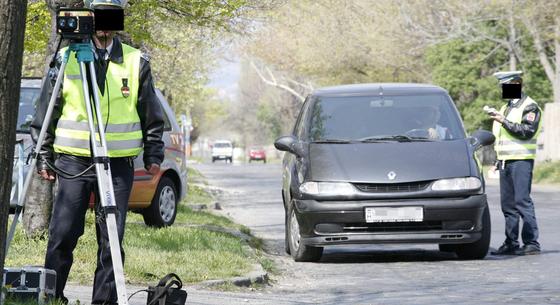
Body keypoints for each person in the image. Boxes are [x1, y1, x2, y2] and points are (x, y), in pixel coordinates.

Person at [30, 0, 164, 303]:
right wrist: (43, 153)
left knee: (112, 240)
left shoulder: (135, 61)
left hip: (117, 166)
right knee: (63, 234)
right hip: (73, 162)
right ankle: (52, 297)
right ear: (89, 18)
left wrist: (154, 155)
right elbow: (46, 111)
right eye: (98, 16)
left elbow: (151, 112)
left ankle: (103, 301)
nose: (103, 24)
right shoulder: (66, 58)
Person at [488, 71, 542, 256]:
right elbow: (501, 138)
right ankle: (511, 242)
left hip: (521, 160)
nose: (503, 89)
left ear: (517, 84)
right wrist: (497, 159)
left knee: (522, 201)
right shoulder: (506, 108)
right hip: (505, 161)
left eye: (507, 86)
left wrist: (503, 121)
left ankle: (532, 243)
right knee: (508, 205)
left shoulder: (530, 107)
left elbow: (526, 131)